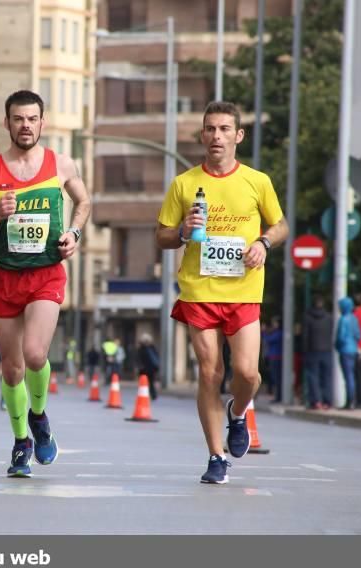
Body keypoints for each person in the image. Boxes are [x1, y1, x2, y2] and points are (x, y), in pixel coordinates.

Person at [155, 101, 289, 484]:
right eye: (210, 129)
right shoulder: (184, 184)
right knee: (210, 372)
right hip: (199, 291)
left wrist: (263, 243)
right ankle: (216, 456)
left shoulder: (256, 181)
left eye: (225, 129)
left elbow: (281, 225)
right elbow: (161, 236)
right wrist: (182, 230)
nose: (217, 136)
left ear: (238, 136)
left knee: (247, 373)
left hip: (244, 290)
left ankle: (238, 413)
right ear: (202, 135)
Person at [0, 89, 91, 477]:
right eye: (18, 119)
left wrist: (74, 233)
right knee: (11, 368)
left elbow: (84, 202)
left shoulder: (61, 164)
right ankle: (21, 441)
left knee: (36, 354)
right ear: (7, 123)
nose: (26, 126)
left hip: (45, 273)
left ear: (43, 122)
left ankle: (39, 415)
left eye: (32, 119)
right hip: (6, 276)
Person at [302, 296, 334, 409]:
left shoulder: (308, 317)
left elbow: (305, 336)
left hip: (312, 350)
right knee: (327, 377)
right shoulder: (329, 317)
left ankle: (316, 401)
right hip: (327, 350)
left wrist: (304, 351)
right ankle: (327, 401)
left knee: (313, 376)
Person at [336, 297, 361, 409]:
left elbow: (340, 337)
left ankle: (349, 401)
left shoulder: (343, 319)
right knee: (352, 376)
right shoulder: (354, 319)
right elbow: (358, 335)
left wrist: (337, 345)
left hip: (345, 350)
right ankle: (353, 400)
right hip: (354, 350)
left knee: (348, 377)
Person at [262, 317, 283, 402]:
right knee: (275, 377)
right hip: (274, 356)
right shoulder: (276, 332)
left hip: (275, 357)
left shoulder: (279, 333)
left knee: (276, 377)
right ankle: (277, 396)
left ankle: (278, 397)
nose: (274, 325)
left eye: (275, 323)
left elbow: (268, 339)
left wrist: (263, 332)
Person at [136, 333, 159, 400]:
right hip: (151, 369)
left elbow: (138, 359)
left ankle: (144, 395)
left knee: (144, 383)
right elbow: (156, 357)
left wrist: (139, 366)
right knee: (151, 383)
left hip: (144, 369)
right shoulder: (152, 347)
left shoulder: (142, 349)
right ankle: (152, 395)